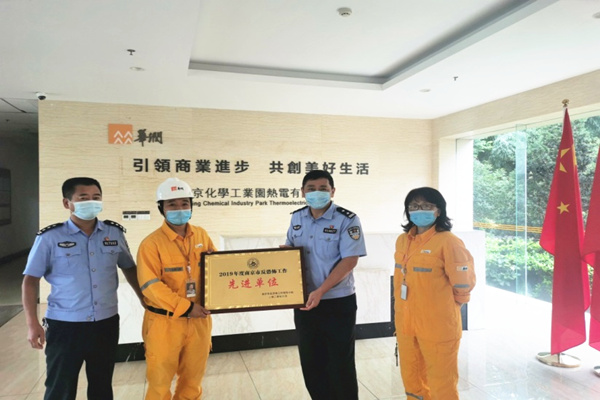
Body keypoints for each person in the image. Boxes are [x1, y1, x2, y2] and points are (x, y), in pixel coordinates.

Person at [21, 177, 144, 400]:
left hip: (105, 323)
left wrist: (145, 300)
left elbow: (129, 267)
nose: (91, 202)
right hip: (65, 325)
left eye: (96, 197)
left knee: (102, 386)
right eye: (83, 198)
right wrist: (32, 323)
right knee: (60, 387)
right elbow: (30, 280)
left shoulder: (114, 233)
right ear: (66, 203)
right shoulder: (50, 237)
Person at [284, 169, 367, 400]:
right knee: (311, 362)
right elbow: (290, 251)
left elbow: (350, 260)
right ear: (302, 192)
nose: (317, 193)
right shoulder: (297, 218)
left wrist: (321, 290)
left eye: (323, 188)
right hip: (304, 303)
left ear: (332, 191)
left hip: (337, 302)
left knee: (340, 363)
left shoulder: (347, 219)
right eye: (311, 189)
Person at [137, 177, 216, 400]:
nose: (179, 209)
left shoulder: (201, 235)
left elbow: (217, 269)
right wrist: (187, 307)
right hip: (165, 323)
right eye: (172, 204)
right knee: (160, 383)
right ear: (161, 208)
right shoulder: (151, 244)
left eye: (184, 203)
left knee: (193, 380)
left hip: (199, 321)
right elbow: (151, 286)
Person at [394, 187, 476, 400]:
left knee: (441, 382)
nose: (419, 210)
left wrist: (448, 309)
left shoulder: (448, 241)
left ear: (438, 211)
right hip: (406, 324)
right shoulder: (403, 240)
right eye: (414, 206)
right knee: (412, 378)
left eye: (426, 206)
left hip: (438, 326)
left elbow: (463, 283)